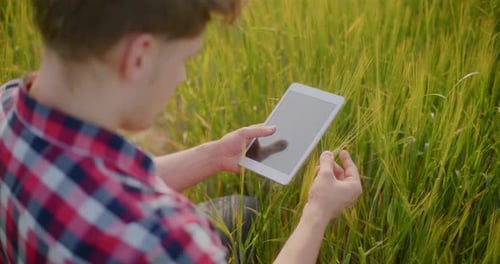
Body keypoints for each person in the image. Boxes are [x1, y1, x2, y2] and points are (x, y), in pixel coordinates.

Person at [0, 0, 362, 263]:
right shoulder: (164, 241)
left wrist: (214, 155)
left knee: (240, 210)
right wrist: (317, 213)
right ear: (139, 57)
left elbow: (91, 180)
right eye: (185, 59)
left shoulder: (6, 104)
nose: (182, 77)